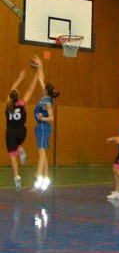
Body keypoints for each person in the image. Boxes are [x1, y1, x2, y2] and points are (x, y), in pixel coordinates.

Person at [6, 69, 39, 191]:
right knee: (17, 145)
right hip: (22, 132)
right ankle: (20, 148)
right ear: (18, 97)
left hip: (11, 133)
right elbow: (30, 90)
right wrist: (35, 78)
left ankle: (17, 177)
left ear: (10, 97)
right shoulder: (22, 104)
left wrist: (19, 79)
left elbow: (11, 90)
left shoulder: (8, 105)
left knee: (12, 155)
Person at [32, 55, 60, 191]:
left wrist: (43, 119)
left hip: (44, 127)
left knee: (41, 153)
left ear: (46, 92)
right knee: (42, 153)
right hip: (40, 127)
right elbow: (41, 79)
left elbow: (52, 119)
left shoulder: (48, 103)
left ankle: (38, 176)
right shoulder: (45, 96)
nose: (42, 88)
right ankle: (46, 178)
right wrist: (40, 64)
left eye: (44, 88)